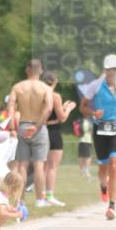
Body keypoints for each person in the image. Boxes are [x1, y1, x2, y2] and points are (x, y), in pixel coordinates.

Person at [79, 54, 116, 220]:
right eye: (108, 69)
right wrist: (93, 113)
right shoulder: (95, 86)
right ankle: (103, 187)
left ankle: (112, 206)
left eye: (114, 69)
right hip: (100, 129)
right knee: (103, 168)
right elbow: (83, 107)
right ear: (104, 69)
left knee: (115, 163)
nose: (111, 72)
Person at [7, 60, 53, 208]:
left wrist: (13, 127)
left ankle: (20, 200)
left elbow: (11, 106)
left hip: (22, 125)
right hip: (39, 127)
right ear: (41, 71)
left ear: (27, 70)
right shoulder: (46, 88)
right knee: (39, 165)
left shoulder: (18, 87)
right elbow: (48, 109)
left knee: (22, 165)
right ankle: (40, 200)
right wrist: (37, 126)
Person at [40, 71, 76, 206]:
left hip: (39, 129)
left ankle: (41, 196)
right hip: (53, 131)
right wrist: (69, 109)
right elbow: (61, 118)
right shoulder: (55, 96)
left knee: (41, 166)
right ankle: (49, 195)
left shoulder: (37, 94)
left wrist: (62, 107)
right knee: (52, 166)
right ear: (54, 83)